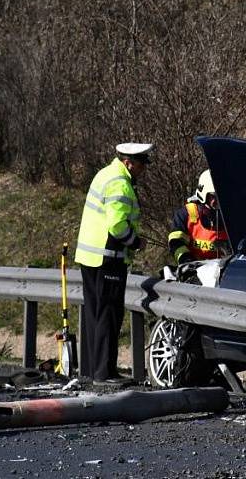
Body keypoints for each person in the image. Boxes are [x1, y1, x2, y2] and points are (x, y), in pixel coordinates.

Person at [74, 142, 152, 384]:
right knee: (109, 315)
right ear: (129, 162)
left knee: (96, 314)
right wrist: (135, 241)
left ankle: (95, 369)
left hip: (91, 258)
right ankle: (104, 373)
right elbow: (117, 226)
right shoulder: (120, 182)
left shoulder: (105, 173)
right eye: (141, 164)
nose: (143, 169)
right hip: (109, 258)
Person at [168, 169, 229, 267]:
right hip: (194, 271)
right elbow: (175, 241)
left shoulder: (230, 216)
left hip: (226, 271)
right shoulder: (187, 214)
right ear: (203, 194)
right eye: (214, 196)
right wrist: (186, 260)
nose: (218, 200)